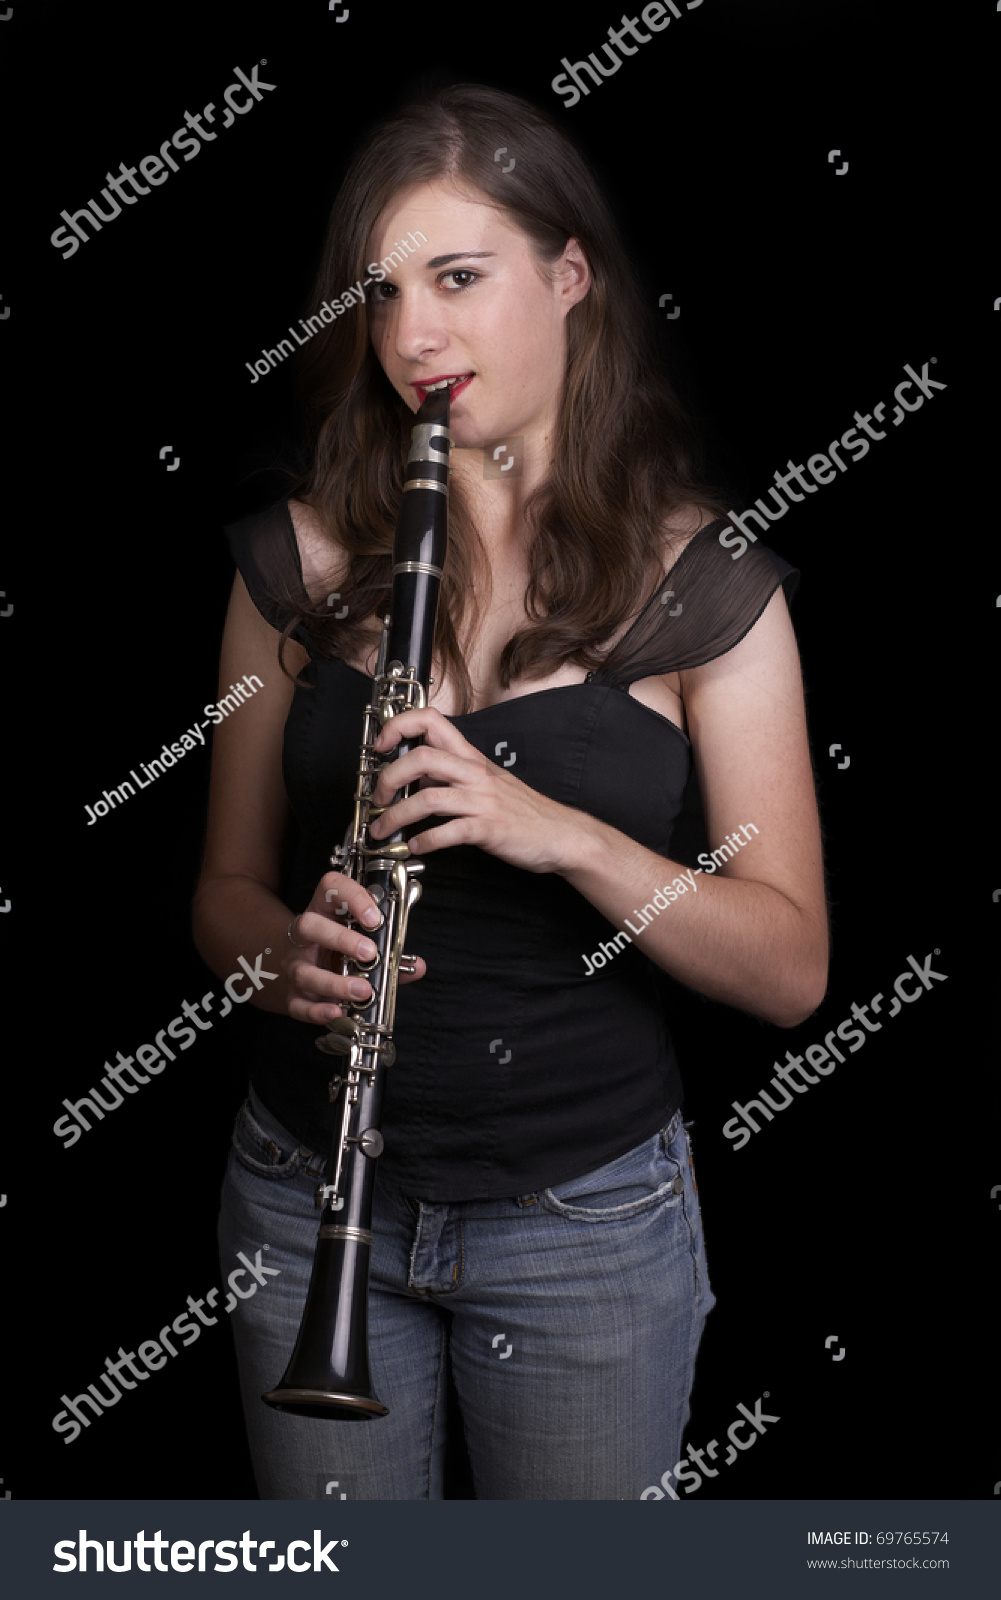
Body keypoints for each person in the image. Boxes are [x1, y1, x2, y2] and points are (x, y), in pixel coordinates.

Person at [193, 83, 828, 1501]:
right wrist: (277, 960)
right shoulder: (294, 568)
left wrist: (559, 836)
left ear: (569, 275)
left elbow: (789, 969)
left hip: (584, 1224)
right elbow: (220, 895)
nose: (411, 335)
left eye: (459, 278)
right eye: (382, 292)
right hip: (305, 1195)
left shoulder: (701, 585)